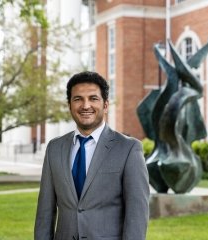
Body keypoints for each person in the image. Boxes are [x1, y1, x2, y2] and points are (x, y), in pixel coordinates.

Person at [34, 71, 150, 240]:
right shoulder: (54, 148)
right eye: (78, 99)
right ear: (69, 105)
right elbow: (45, 212)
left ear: (105, 105)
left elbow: (137, 214)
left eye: (93, 98)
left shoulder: (129, 149)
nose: (85, 105)